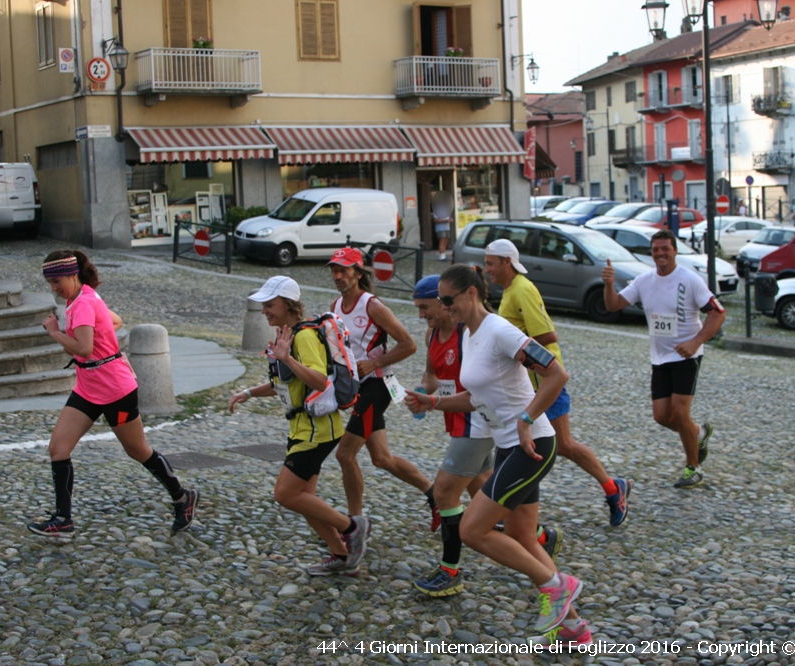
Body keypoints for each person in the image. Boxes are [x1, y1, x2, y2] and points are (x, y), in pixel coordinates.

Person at [405, 265, 589, 646]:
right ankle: (573, 629)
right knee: (523, 537)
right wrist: (433, 402)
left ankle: (557, 586)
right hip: (509, 447)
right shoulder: (470, 334)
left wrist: (527, 417)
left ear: (472, 293)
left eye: (448, 300)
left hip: (532, 445)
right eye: (440, 300)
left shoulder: (500, 331)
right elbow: (477, 397)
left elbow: (557, 374)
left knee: (473, 530)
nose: (444, 307)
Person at [28, 250, 198, 539]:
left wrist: (55, 332)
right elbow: (114, 321)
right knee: (58, 448)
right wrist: (100, 335)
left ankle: (183, 497)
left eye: (57, 281)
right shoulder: (82, 298)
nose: (54, 288)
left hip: (115, 391)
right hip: (88, 388)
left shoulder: (84, 302)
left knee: (137, 450)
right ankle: (63, 520)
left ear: (72, 275)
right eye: (50, 283)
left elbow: (83, 349)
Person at [483, 239, 632, 527]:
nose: (488, 269)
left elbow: (549, 335)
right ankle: (510, 511)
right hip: (528, 384)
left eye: (491, 263)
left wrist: (512, 348)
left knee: (561, 444)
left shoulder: (522, 289)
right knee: (523, 445)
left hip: (545, 381)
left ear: (507, 262)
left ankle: (614, 488)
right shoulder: (512, 290)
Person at [228, 276, 371, 576]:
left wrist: (288, 359)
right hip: (302, 428)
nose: (264, 310)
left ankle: (352, 528)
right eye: (263, 305)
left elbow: (319, 381)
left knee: (286, 494)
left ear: (289, 305)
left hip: (317, 431)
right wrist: (248, 393)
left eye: (270, 304)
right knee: (305, 498)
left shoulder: (304, 337)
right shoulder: (288, 334)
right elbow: (285, 383)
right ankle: (342, 556)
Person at [602, 230, 726, 488]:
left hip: (686, 355)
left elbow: (718, 313)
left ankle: (693, 468)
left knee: (680, 412)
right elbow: (613, 305)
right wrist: (609, 284)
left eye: (665, 249)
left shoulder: (689, 280)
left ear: (674, 251)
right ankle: (699, 433)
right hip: (660, 357)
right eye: (656, 249)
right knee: (661, 416)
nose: (660, 254)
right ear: (651, 252)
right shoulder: (644, 280)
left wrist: (695, 342)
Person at [328, 247, 438, 527]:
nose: (338, 276)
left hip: (376, 387)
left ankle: (355, 524)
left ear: (358, 273)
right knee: (382, 458)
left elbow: (409, 345)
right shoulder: (335, 306)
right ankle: (434, 494)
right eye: (334, 270)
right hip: (357, 388)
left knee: (345, 454)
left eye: (344, 270)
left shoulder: (372, 305)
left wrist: (374, 363)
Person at [432, 190, 455, 261]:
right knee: (442, 241)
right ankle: (441, 256)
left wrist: (450, 219)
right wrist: (445, 221)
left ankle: (444, 255)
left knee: (445, 241)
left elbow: (448, 217)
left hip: (446, 227)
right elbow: (435, 220)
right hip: (440, 228)